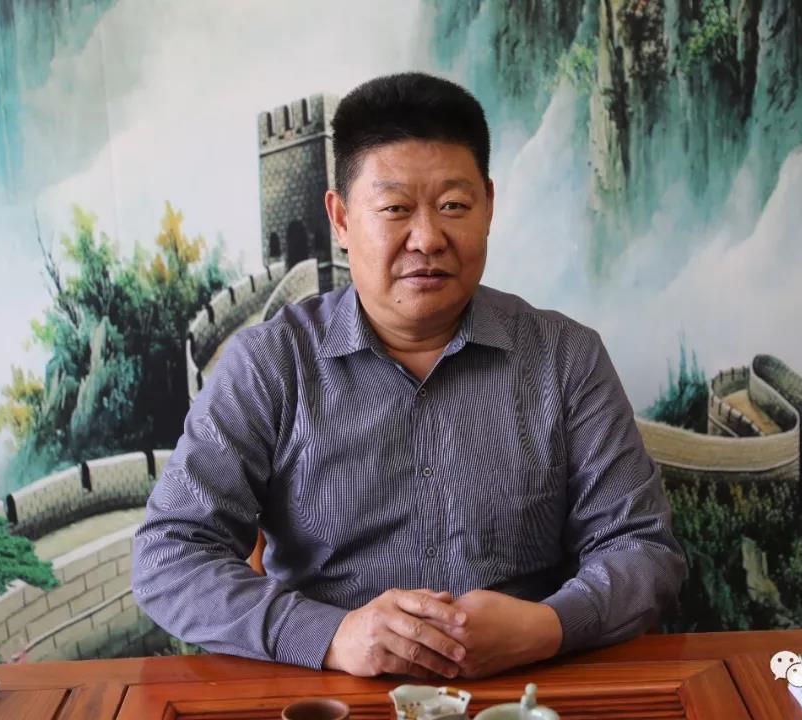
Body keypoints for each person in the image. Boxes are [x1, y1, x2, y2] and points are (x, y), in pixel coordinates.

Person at [132, 72, 686, 680]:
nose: (427, 238)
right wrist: (332, 636)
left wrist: (546, 627)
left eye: (453, 207)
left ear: (488, 207)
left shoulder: (565, 357)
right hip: (336, 694)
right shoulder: (271, 365)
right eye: (395, 209)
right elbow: (169, 556)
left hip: (525, 692)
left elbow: (644, 549)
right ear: (341, 219)